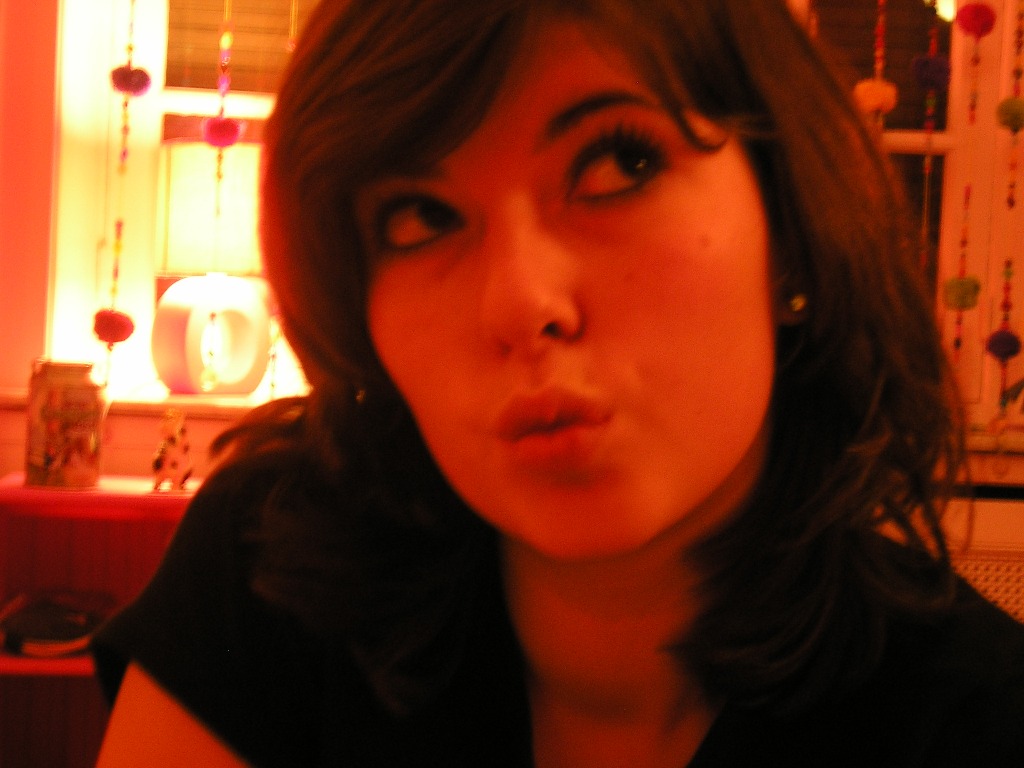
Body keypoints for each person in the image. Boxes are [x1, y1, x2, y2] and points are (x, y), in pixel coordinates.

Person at [92, 0, 1024, 765]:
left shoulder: (976, 719)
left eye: (619, 164)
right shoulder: (275, 573)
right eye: (421, 217)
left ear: (789, 227)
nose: (520, 303)